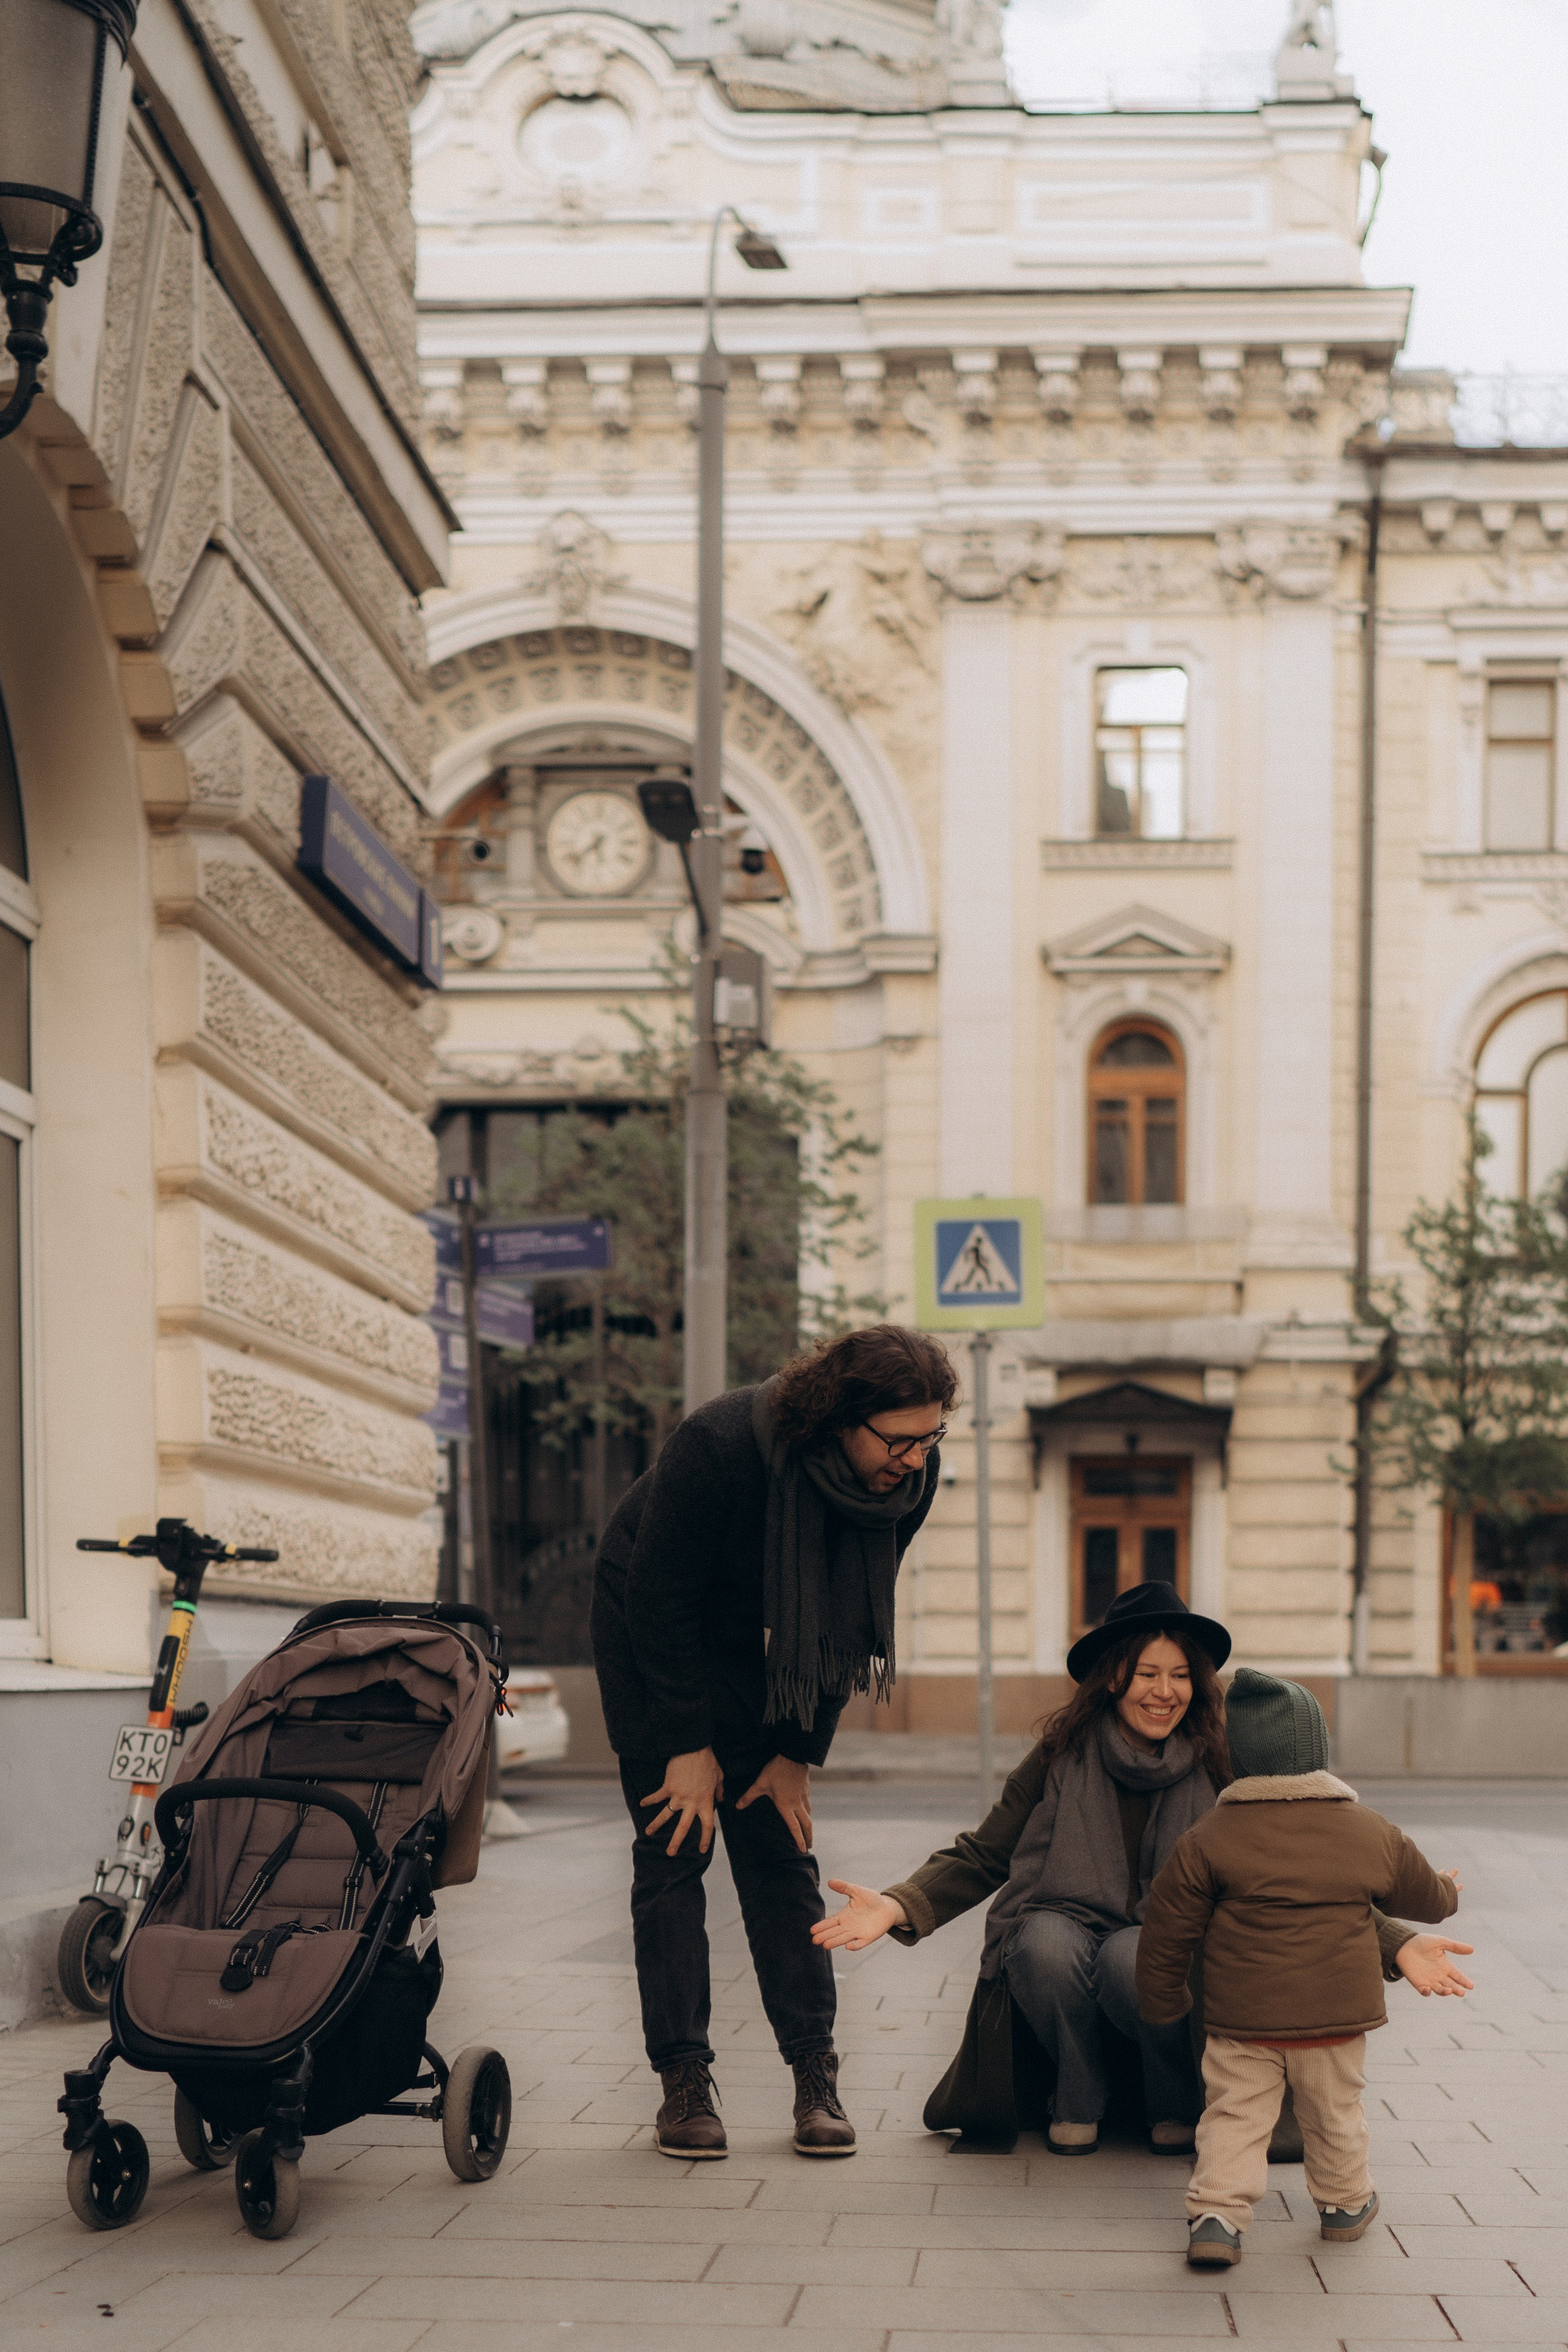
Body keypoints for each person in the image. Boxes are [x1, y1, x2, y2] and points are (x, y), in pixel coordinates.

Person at [813, 1583, 1471, 2155]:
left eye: (1180, 1675)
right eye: (1147, 1673)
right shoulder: (1061, 1754)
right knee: (1041, 1944)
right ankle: (1077, 2093)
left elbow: (1295, 1869)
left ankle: (1174, 2101)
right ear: (1112, 1677)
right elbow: (986, 1852)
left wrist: (1395, 1940)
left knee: (1137, 1953)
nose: (1164, 1692)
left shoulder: (1220, 1761)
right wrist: (899, 1904)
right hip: (1062, 1921)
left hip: (1167, 1943)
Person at [590, 1322, 954, 2160]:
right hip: (649, 1620)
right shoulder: (719, 1445)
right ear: (841, 1420)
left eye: (931, 1438)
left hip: (761, 1639)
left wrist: (795, 1753)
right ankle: (684, 2081)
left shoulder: (907, 1480)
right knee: (673, 1845)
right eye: (898, 1441)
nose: (914, 1458)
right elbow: (658, 1599)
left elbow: (848, 1618)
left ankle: (814, 2074)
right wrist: (687, 1743)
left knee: (779, 1851)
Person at [1136, 1668, 1462, 2269]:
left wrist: (1162, 2001)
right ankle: (1345, 2205)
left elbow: (1166, 1930)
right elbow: (1422, 1897)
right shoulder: (1367, 1830)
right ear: (1318, 1750)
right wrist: (1446, 1890)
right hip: (1335, 2019)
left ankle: (1216, 2218)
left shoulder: (1208, 1837)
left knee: (1234, 2116)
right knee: (1335, 2114)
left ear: (1239, 1758)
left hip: (1242, 2022)